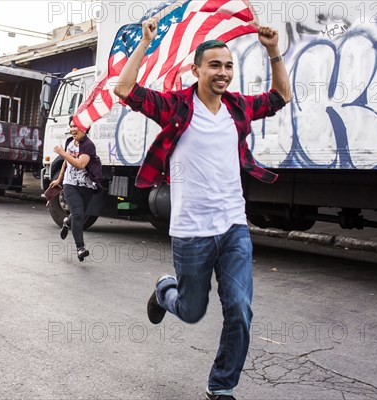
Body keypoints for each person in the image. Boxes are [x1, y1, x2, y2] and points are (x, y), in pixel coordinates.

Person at [113, 18, 292, 400]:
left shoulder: (238, 108)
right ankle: (164, 291)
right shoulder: (175, 105)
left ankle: (221, 385)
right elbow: (125, 89)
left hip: (232, 227)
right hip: (191, 231)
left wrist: (273, 51)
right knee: (192, 311)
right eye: (214, 65)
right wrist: (145, 43)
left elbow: (280, 97)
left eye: (228, 66)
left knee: (240, 309)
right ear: (196, 71)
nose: (223, 72)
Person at [48, 118, 102, 261]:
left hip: (86, 185)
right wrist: (59, 179)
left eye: (76, 126)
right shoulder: (69, 143)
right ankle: (80, 248)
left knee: (80, 214)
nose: (72, 129)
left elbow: (81, 164)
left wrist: (63, 153)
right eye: (71, 126)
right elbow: (66, 163)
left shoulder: (89, 146)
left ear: (84, 128)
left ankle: (67, 222)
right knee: (78, 214)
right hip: (70, 184)